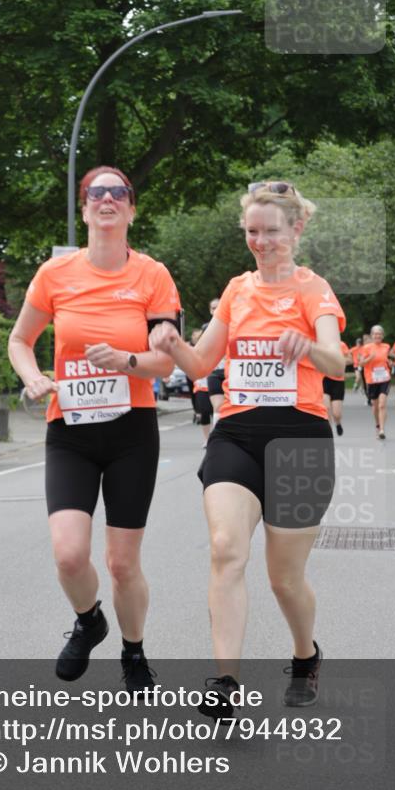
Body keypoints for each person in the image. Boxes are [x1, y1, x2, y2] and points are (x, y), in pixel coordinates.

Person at [150, 180, 345, 713]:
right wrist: (173, 342)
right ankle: (225, 683)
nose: (260, 242)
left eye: (271, 231)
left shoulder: (313, 290)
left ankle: (305, 656)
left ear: (296, 229)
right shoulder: (238, 290)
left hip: (300, 440)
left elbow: (337, 361)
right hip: (237, 434)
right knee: (226, 548)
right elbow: (200, 363)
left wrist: (307, 346)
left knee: (284, 579)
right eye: (252, 232)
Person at [9, 166, 180, 694]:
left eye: (118, 192)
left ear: (131, 208)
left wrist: (127, 360)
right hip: (71, 431)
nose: (107, 199)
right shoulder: (55, 274)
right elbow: (20, 340)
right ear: (84, 209)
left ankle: (134, 651)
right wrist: (33, 377)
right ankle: (89, 621)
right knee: (68, 554)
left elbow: (166, 362)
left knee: (123, 564)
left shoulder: (153, 275)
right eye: (96, 193)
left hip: (132, 431)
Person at [360, 325, 391, 439]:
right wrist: (370, 358)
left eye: (379, 334)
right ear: (372, 335)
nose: (377, 335)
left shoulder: (386, 346)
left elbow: (386, 359)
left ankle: (382, 430)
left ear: (382, 335)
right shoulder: (366, 348)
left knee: (382, 404)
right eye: (375, 334)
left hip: (384, 378)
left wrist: (390, 363)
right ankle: (377, 425)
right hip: (372, 380)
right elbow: (361, 363)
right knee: (375, 405)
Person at [322, 341, 350, 435]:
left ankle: (338, 423)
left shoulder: (341, 345)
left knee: (336, 414)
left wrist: (338, 360)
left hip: (338, 381)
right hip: (324, 379)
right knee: (326, 408)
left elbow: (350, 359)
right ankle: (329, 432)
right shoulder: (321, 344)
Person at [189, 328, 212, 444]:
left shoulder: (217, 345)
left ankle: (216, 437)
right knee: (205, 411)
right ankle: (207, 439)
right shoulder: (196, 349)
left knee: (217, 411)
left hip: (216, 383)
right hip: (201, 385)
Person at [205, 299, 225, 420]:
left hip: (231, 373)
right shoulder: (206, 328)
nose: (216, 310)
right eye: (213, 308)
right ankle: (216, 431)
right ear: (210, 311)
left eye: (218, 307)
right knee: (218, 407)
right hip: (214, 372)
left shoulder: (234, 325)